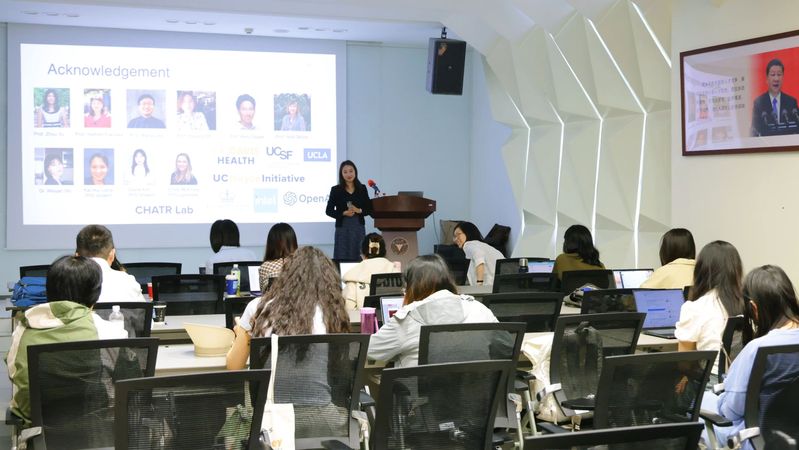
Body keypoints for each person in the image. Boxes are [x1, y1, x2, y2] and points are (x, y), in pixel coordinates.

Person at [6, 255, 128, 425]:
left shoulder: (23, 329)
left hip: (38, 430)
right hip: (96, 429)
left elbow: (14, 374)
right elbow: (126, 381)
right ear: (96, 293)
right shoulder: (110, 330)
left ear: (48, 290)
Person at [702, 265, 799, 448]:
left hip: (759, 440)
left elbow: (732, 410)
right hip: (789, 437)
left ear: (754, 308)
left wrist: (723, 398)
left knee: (698, 405)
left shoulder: (757, 348)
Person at [227, 246, 350, 369]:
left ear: (286, 276)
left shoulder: (258, 307)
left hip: (268, 382)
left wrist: (242, 333)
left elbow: (234, 366)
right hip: (319, 382)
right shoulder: (334, 314)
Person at [367, 254, 498, 367]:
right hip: (476, 388)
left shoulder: (407, 319)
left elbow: (369, 350)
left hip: (419, 390)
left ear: (412, 287)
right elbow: (504, 348)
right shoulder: (479, 309)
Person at [676, 240, 744, 377]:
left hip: (712, 383)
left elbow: (684, 363)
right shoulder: (747, 304)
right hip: (744, 381)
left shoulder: (695, 308)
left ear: (702, 270)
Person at [75, 224, 144, 303]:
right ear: (112, 254)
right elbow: (144, 310)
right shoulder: (129, 282)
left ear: (77, 256)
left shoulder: (68, 285)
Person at [325, 160, 372, 261]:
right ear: (341, 174)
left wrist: (359, 210)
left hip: (358, 227)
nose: (348, 174)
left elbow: (369, 209)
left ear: (355, 172)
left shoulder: (362, 188)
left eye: (351, 171)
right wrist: (343, 213)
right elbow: (328, 211)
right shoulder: (336, 190)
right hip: (343, 228)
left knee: (359, 255)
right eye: (345, 172)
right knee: (342, 256)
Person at [342, 233, 399, 310]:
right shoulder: (396, 274)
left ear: (362, 254)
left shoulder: (353, 276)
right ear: (384, 253)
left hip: (361, 317)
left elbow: (349, 309)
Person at [751, 59, 799, 136]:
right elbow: (754, 131)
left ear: (783, 78)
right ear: (767, 78)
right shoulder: (759, 103)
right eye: (773, 75)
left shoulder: (791, 102)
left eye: (779, 75)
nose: (776, 79)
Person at [453, 221, 504, 286]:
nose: (455, 239)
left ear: (468, 233)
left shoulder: (468, 245)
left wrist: (479, 284)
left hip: (490, 287)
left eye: (458, 234)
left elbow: (479, 257)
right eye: (455, 236)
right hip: (502, 285)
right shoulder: (483, 246)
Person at [258, 222, 298, 292]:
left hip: (273, 299)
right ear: (293, 242)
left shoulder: (265, 266)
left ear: (271, 244)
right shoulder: (301, 264)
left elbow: (264, 293)